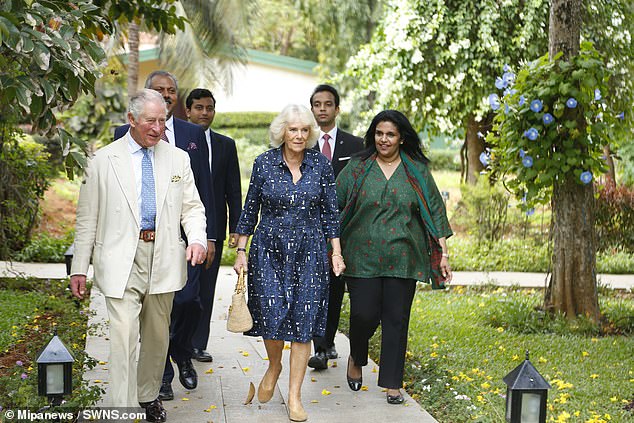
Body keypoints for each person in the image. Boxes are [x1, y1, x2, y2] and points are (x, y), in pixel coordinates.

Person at [70, 89, 208, 422]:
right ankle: (123, 406)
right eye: (150, 120)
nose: (158, 128)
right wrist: (79, 268)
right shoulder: (103, 160)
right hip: (120, 259)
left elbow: (192, 207)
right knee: (123, 336)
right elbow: (87, 219)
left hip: (162, 257)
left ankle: (147, 397)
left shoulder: (178, 159)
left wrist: (198, 239)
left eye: (162, 120)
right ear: (131, 120)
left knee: (157, 336)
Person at [232, 104, 345, 422]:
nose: (298, 135)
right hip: (268, 251)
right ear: (282, 131)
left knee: (303, 323)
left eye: (304, 130)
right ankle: (274, 364)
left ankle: (294, 397)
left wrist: (336, 253)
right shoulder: (264, 163)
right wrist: (241, 251)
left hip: (309, 253)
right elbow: (249, 207)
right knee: (270, 315)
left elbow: (330, 214)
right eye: (293, 129)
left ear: (310, 134)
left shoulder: (321, 166)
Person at [336, 110, 453, 405]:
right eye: (379, 134)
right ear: (372, 136)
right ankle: (357, 354)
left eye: (390, 134)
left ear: (402, 138)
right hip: (361, 257)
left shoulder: (417, 172)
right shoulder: (357, 168)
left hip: (404, 256)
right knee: (363, 314)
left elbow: (435, 212)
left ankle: (392, 383)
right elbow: (332, 207)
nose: (384, 139)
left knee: (396, 319)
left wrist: (444, 255)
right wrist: (332, 249)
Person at [115, 71, 217, 401]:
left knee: (189, 302)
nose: (168, 94)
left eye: (172, 90)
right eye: (160, 89)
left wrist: (208, 236)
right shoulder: (123, 133)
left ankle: (183, 351)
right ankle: (163, 376)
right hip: (140, 245)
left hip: (184, 241)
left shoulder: (192, 133)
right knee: (153, 315)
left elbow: (203, 188)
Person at [307, 84, 363, 370]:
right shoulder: (301, 142)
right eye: (317, 104)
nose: (322, 109)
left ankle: (327, 341)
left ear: (337, 109)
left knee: (336, 287)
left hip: (345, 231)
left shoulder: (356, 145)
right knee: (316, 288)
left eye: (328, 104)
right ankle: (320, 346)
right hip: (309, 231)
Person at [185, 88, 242, 362]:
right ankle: (175, 341)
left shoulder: (225, 145)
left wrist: (236, 228)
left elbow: (233, 189)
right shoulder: (178, 141)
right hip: (180, 229)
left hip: (213, 229)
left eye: (209, 108)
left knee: (206, 289)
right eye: (198, 107)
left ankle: (197, 343)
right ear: (188, 111)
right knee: (182, 290)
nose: (204, 113)